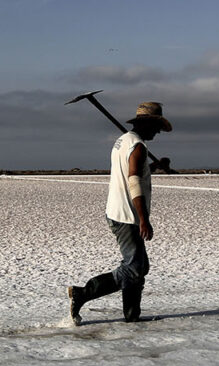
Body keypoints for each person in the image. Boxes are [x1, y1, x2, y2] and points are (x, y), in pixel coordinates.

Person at [67, 101, 172, 325]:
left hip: (117, 210)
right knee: (134, 268)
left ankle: (132, 315)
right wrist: (144, 219)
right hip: (127, 214)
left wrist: (155, 166)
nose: (158, 132)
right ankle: (82, 293)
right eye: (156, 127)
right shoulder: (138, 146)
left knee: (140, 266)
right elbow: (134, 181)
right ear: (148, 124)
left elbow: (134, 170)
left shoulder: (123, 141)